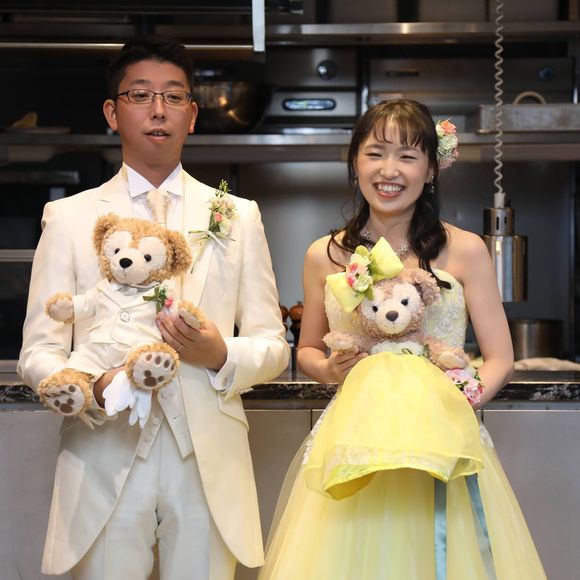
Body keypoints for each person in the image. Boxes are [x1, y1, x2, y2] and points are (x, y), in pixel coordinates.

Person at [18, 36, 289, 580]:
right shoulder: (69, 218)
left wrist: (219, 354)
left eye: (173, 96)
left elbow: (272, 344)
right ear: (112, 113)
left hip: (206, 459)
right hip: (104, 447)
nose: (158, 110)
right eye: (140, 95)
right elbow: (39, 351)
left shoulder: (238, 216)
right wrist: (90, 386)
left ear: (193, 114)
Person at [257, 99, 546, 579]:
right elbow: (306, 349)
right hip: (354, 445)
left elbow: (500, 358)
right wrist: (326, 369)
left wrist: (458, 403)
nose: (389, 170)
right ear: (355, 163)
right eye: (375, 153)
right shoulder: (323, 255)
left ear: (430, 169)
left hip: (443, 443)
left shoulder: (466, 249)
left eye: (407, 156)